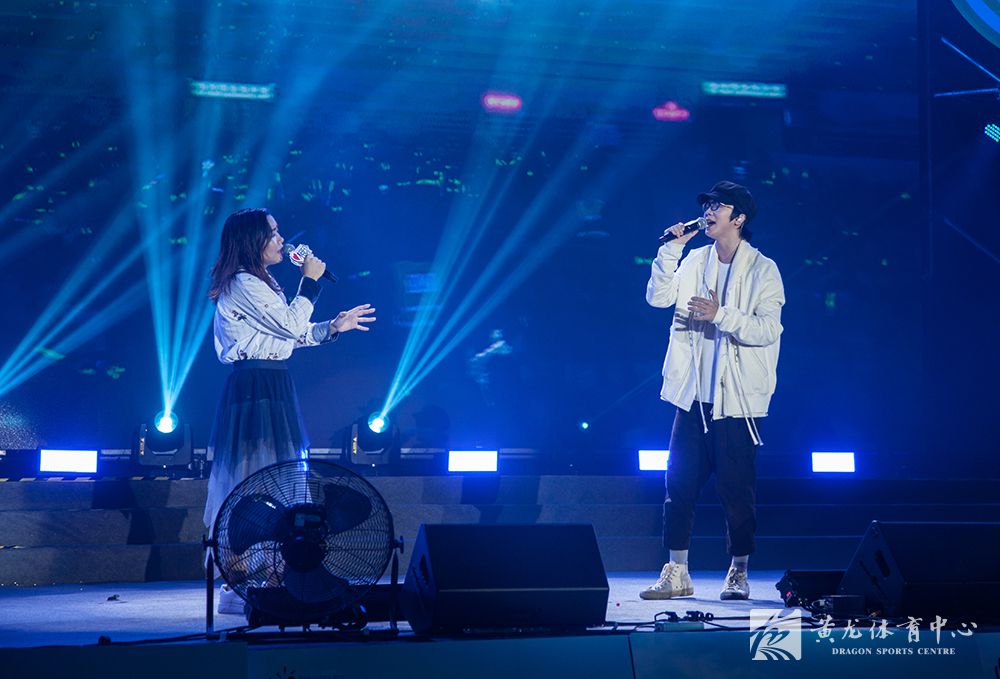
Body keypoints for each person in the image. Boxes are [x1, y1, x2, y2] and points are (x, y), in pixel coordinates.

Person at [204, 207, 375, 613]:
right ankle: (238, 578)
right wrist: (310, 282)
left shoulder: (264, 284)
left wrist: (332, 327)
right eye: (274, 233)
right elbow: (290, 325)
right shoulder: (243, 282)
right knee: (251, 476)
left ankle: (276, 576)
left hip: (275, 382)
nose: (282, 240)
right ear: (253, 241)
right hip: (254, 386)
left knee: (283, 475)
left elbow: (290, 336)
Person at [640, 181, 784, 601]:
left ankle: (738, 570)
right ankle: (676, 571)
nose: (708, 211)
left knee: (736, 493)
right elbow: (658, 298)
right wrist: (671, 250)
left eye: (718, 205)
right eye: (706, 204)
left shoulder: (763, 270)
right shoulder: (693, 259)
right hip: (692, 396)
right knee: (678, 486)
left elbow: (767, 329)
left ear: (738, 218)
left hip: (736, 402)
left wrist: (721, 314)